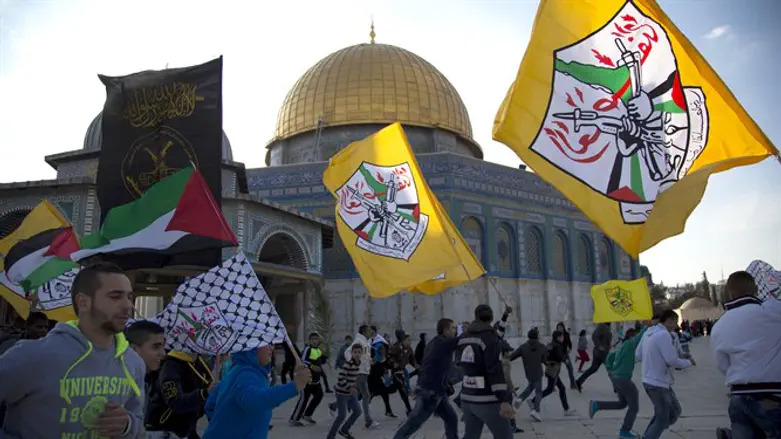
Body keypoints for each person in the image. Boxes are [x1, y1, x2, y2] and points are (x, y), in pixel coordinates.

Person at [0, 262, 145, 439]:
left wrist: (127, 426)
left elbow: (138, 423)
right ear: (83, 302)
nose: (128, 306)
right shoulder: (33, 356)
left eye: (129, 297)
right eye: (115, 297)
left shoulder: (133, 362)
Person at [711, 271, 781, 439]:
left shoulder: (720, 325)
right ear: (756, 289)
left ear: (729, 292)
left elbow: (722, 364)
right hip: (769, 395)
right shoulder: (772, 311)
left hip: (738, 396)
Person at [202, 343, 311, 439]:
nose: (271, 348)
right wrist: (294, 386)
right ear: (252, 347)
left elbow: (211, 404)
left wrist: (227, 424)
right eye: (266, 343)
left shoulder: (243, 370)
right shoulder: (246, 374)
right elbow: (256, 400)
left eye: (271, 343)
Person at [392, 318, 460, 439]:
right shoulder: (443, 342)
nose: (456, 331)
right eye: (454, 328)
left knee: (451, 418)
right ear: (445, 330)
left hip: (436, 391)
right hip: (430, 392)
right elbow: (462, 340)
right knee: (414, 423)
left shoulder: (435, 342)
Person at [457, 305, 515, 439]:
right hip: (486, 399)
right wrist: (503, 399)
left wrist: (505, 315)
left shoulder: (464, 337)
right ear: (491, 318)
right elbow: (494, 369)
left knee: (471, 436)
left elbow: (459, 363)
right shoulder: (489, 338)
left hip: (467, 397)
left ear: (475, 316)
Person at [638, 309, 694, 439]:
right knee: (663, 418)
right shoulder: (663, 335)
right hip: (657, 382)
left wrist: (654, 359)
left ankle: (649, 433)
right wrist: (688, 363)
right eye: (674, 322)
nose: (676, 326)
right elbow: (671, 360)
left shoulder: (648, 333)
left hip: (653, 380)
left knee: (673, 411)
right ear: (668, 321)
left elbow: (638, 355)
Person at [589, 326, 647, 439]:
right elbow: (639, 338)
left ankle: (597, 405)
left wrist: (611, 370)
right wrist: (646, 329)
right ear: (631, 336)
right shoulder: (630, 343)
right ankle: (625, 431)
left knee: (622, 403)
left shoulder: (620, 346)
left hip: (617, 378)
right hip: (624, 379)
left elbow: (609, 357)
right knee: (634, 407)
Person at [146, 350, 215, 439]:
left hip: (187, 429)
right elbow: (175, 401)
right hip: (165, 430)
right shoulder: (170, 366)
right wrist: (204, 393)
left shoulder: (198, 362)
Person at [343, 324, 381, 429]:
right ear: (364, 332)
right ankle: (368, 421)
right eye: (369, 331)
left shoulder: (365, 342)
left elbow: (363, 356)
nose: (371, 332)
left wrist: (370, 361)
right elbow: (348, 352)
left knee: (357, 395)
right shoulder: (358, 341)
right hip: (359, 372)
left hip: (363, 372)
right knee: (365, 395)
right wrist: (354, 364)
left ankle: (334, 406)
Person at [510, 327, 547, 422]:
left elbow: (512, 356)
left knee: (530, 388)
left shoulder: (523, 347)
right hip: (538, 372)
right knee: (538, 392)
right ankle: (535, 410)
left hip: (528, 372)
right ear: (537, 336)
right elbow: (545, 360)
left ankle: (518, 402)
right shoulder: (541, 346)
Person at [327, 343, 364, 439]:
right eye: (355, 352)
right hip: (342, 393)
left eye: (359, 352)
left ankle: (344, 430)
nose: (357, 354)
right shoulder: (348, 364)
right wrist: (349, 388)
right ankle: (330, 436)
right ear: (352, 353)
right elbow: (341, 378)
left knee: (358, 411)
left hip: (351, 394)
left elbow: (354, 378)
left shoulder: (358, 364)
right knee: (341, 416)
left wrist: (355, 388)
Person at [290, 332, 327, 426]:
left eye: (316, 339)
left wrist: (325, 356)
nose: (315, 341)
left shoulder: (318, 350)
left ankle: (307, 415)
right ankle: (294, 418)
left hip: (316, 381)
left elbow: (322, 360)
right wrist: (312, 366)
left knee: (319, 396)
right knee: (304, 399)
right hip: (307, 379)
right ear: (310, 340)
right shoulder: (308, 349)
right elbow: (302, 360)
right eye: (313, 339)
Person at [539, 330, 577, 416]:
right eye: (562, 337)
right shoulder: (558, 346)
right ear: (558, 337)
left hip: (550, 368)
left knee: (562, 388)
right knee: (549, 389)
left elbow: (545, 355)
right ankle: (534, 400)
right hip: (554, 369)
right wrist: (565, 360)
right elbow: (560, 356)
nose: (563, 338)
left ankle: (566, 408)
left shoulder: (550, 344)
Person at [575, 322, 612, 391]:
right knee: (611, 369)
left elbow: (604, 338)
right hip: (601, 353)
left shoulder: (607, 326)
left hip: (602, 352)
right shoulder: (602, 325)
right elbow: (594, 336)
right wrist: (599, 346)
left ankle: (579, 381)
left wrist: (608, 345)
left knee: (594, 368)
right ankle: (618, 387)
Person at [389, 332, 416, 415]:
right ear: (403, 341)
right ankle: (409, 409)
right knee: (399, 389)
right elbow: (390, 356)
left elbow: (412, 360)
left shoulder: (409, 349)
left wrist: (417, 366)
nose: (410, 342)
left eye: (410, 340)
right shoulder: (397, 347)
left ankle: (409, 410)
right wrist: (393, 362)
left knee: (398, 389)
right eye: (408, 340)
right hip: (396, 372)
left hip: (402, 371)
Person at [500, 341, 523, 434]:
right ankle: (512, 426)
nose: (509, 354)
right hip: (506, 387)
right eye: (508, 352)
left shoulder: (500, 361)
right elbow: (507, 377)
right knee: (509, 406)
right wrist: (512, 388)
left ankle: (510, 425)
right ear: (504, 352)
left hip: (501, 387)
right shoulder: (506, 362)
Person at [555, 322, 577, 389]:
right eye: (558, 327)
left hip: (565, 353)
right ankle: (552, 385)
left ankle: (573, 385)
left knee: (570, 369)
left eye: (560, 327)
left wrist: (570, 348)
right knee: (556, 371)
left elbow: (569, 342)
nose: (559, 329)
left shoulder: (566, 334)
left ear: (563, 327)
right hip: (558, 355)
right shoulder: (555, 334)